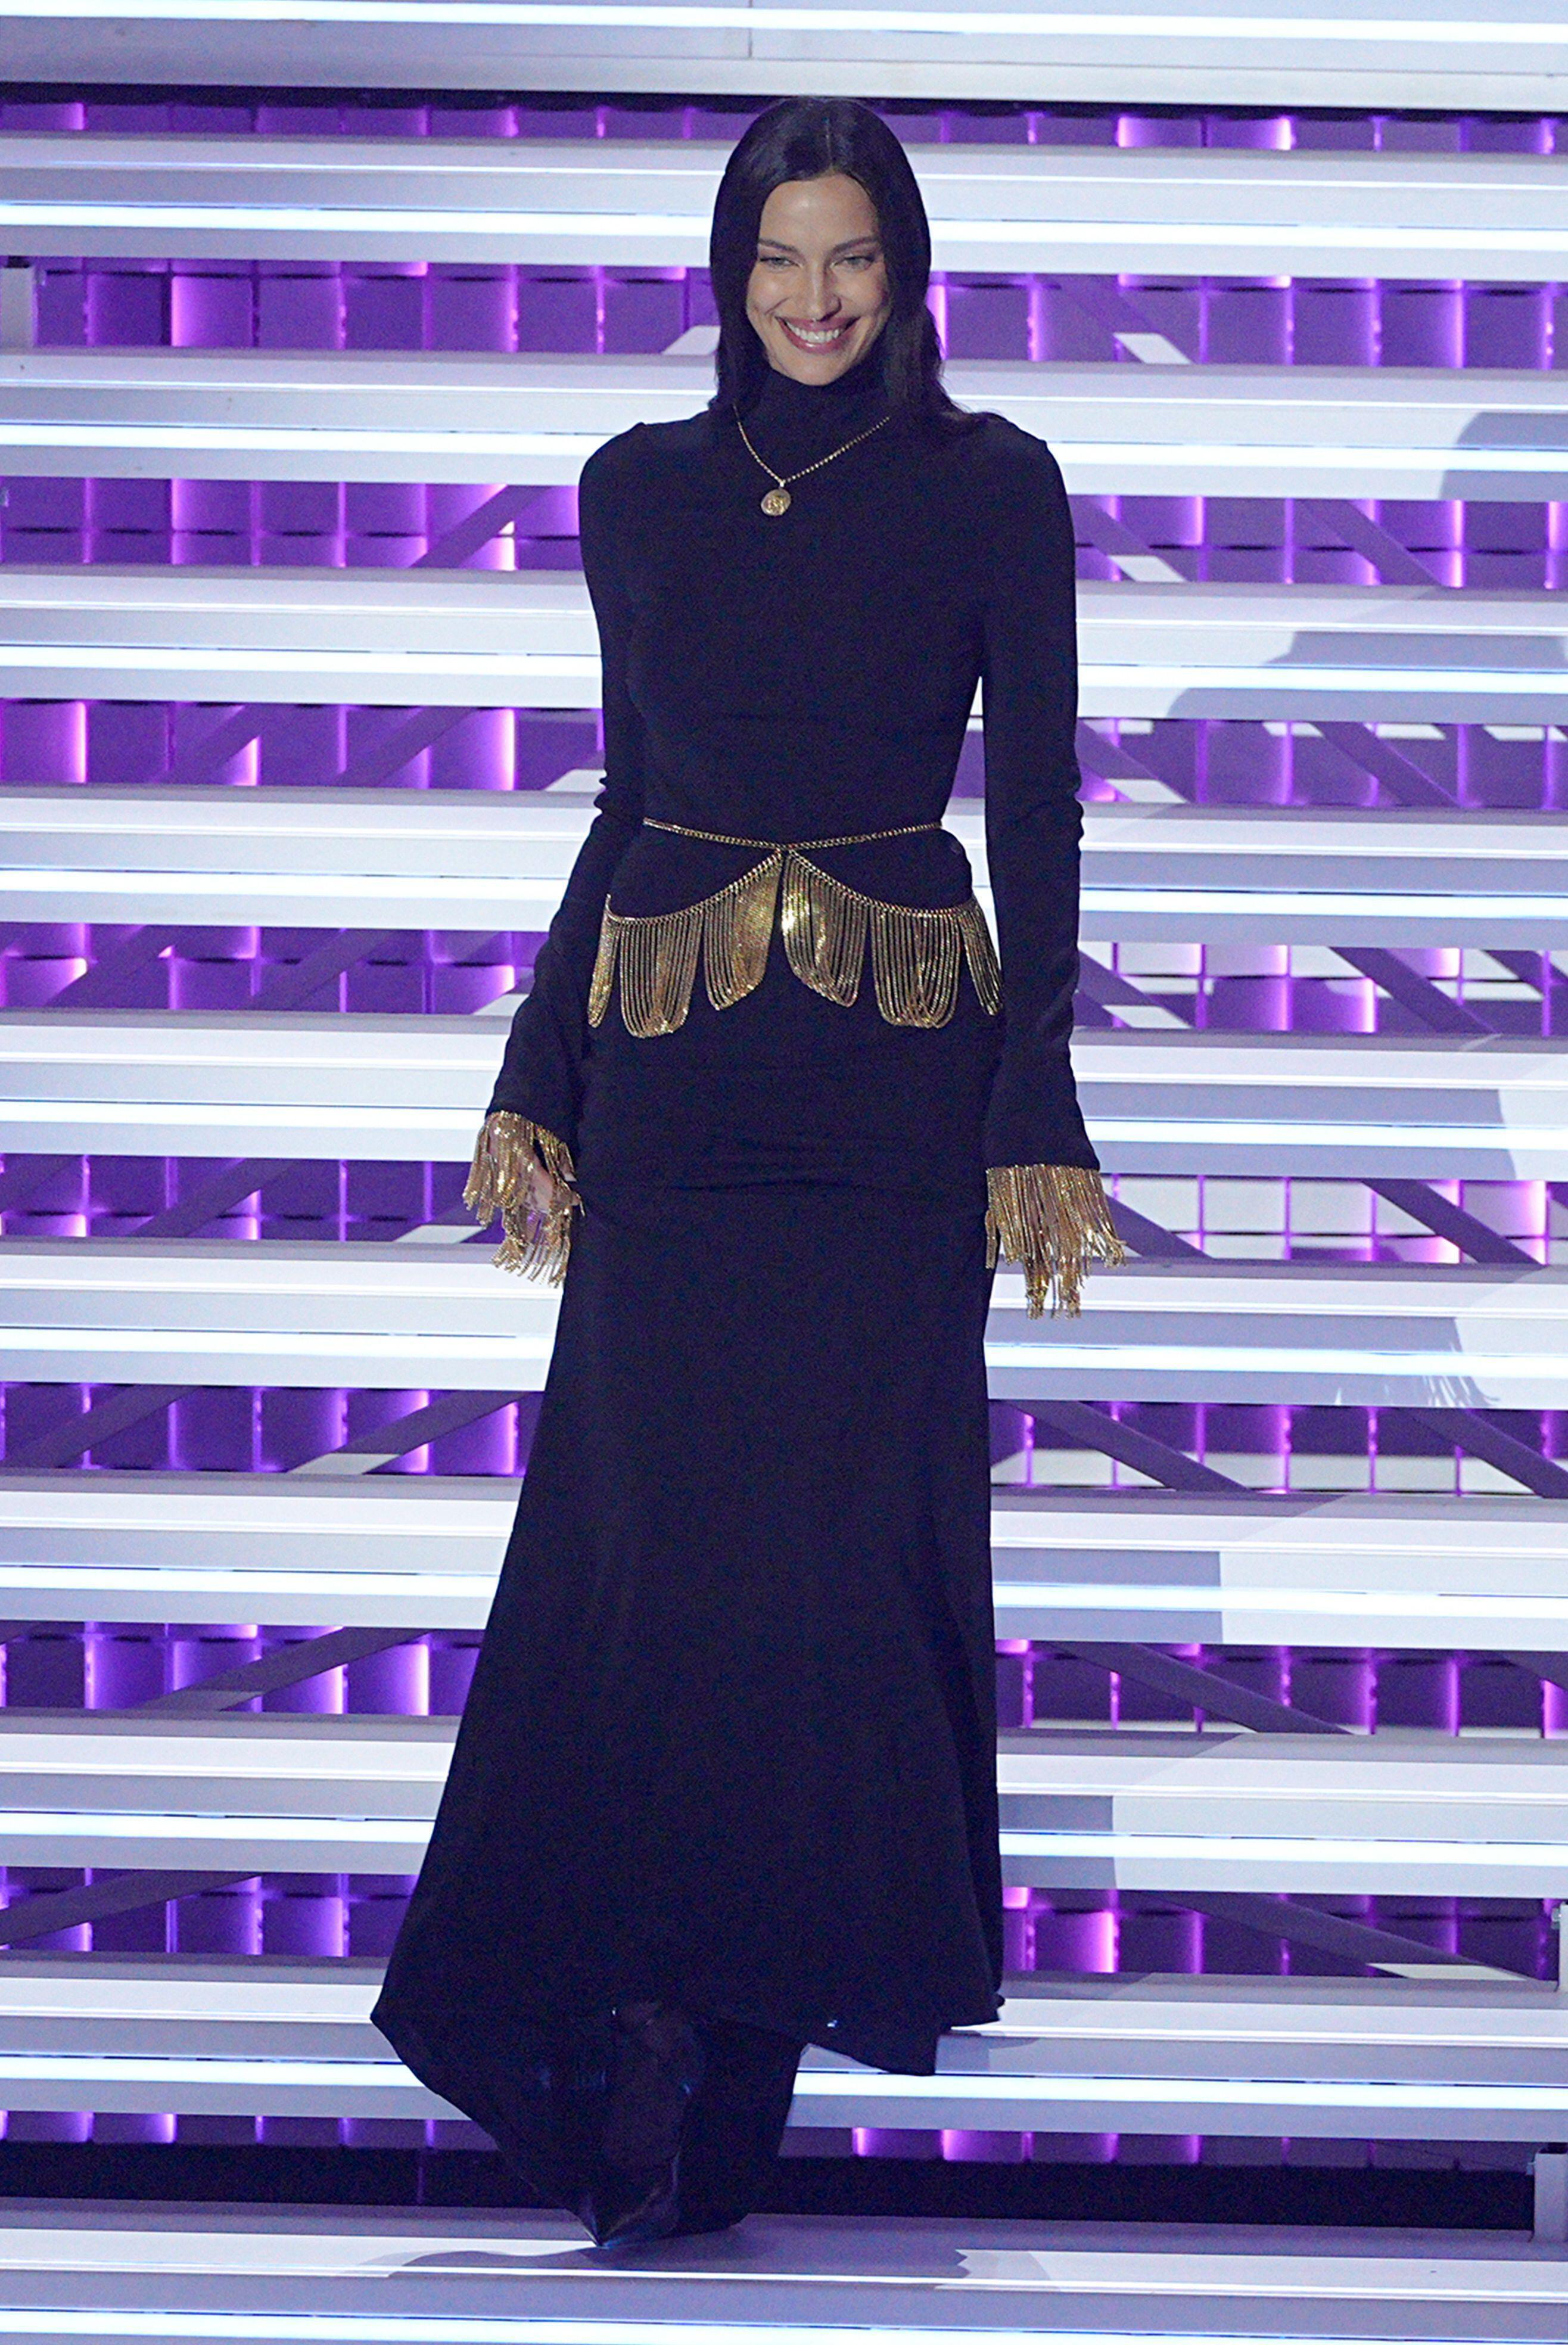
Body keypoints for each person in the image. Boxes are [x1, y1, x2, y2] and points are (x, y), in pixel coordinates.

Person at [374, 92, 1120, 2249]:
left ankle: (737, 2060)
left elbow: (1040, 806)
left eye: (851, 256)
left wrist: (1037, 1089)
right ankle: (629, 2034)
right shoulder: (639, 488)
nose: (815, 297)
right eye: (780, 257)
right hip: (678, 1099)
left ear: (907, 271)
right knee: (642, 1577)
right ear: (730, 271)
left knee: (831, 1584)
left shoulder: (993, 485)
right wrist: (536, 1062)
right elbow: (629, 797)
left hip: (890, 1104)